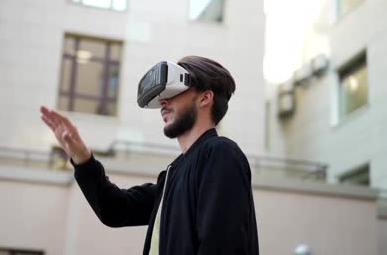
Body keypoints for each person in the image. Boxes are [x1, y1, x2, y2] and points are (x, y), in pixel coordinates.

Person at [40, 55, 259, 255]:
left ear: (205, 98)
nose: (162, 102)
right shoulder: (172, 176)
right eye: (161, 96)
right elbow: (114, 209)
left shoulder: (220, 154)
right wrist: (82, 159)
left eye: (173, 91)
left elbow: (223, 247)